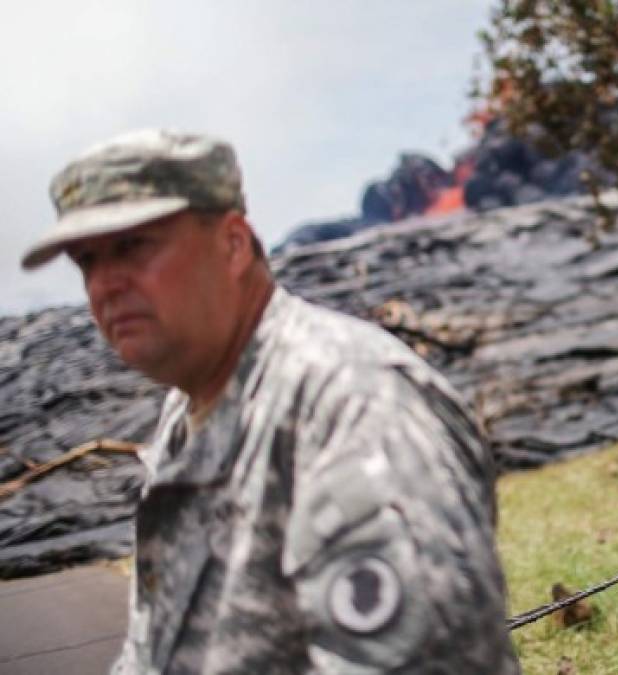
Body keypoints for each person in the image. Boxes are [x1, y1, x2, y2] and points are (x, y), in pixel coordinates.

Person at [21, 129, 521, 674]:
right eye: (87, 262)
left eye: (133, 246)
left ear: (234, 244)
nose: (105, 284)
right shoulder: (184, 416)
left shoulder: (351, 403)